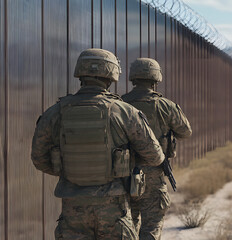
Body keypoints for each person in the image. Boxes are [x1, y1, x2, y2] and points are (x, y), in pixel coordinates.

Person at [31, 49, 165, 239]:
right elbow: (155, 156)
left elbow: (39, 158)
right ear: (111, 75)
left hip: (72, 209)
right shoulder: (124, 112)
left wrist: (71, 170)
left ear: (80, 73)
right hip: (114, 211)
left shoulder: (55, 112)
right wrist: (126, 162)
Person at [122, 58, 192, 240]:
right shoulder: (165, 106)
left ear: (133, 78)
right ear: (156, 79)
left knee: (126, 225)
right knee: (152, 226)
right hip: (154, 174)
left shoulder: (119, 104)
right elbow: (185, 132)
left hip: (122, 175)